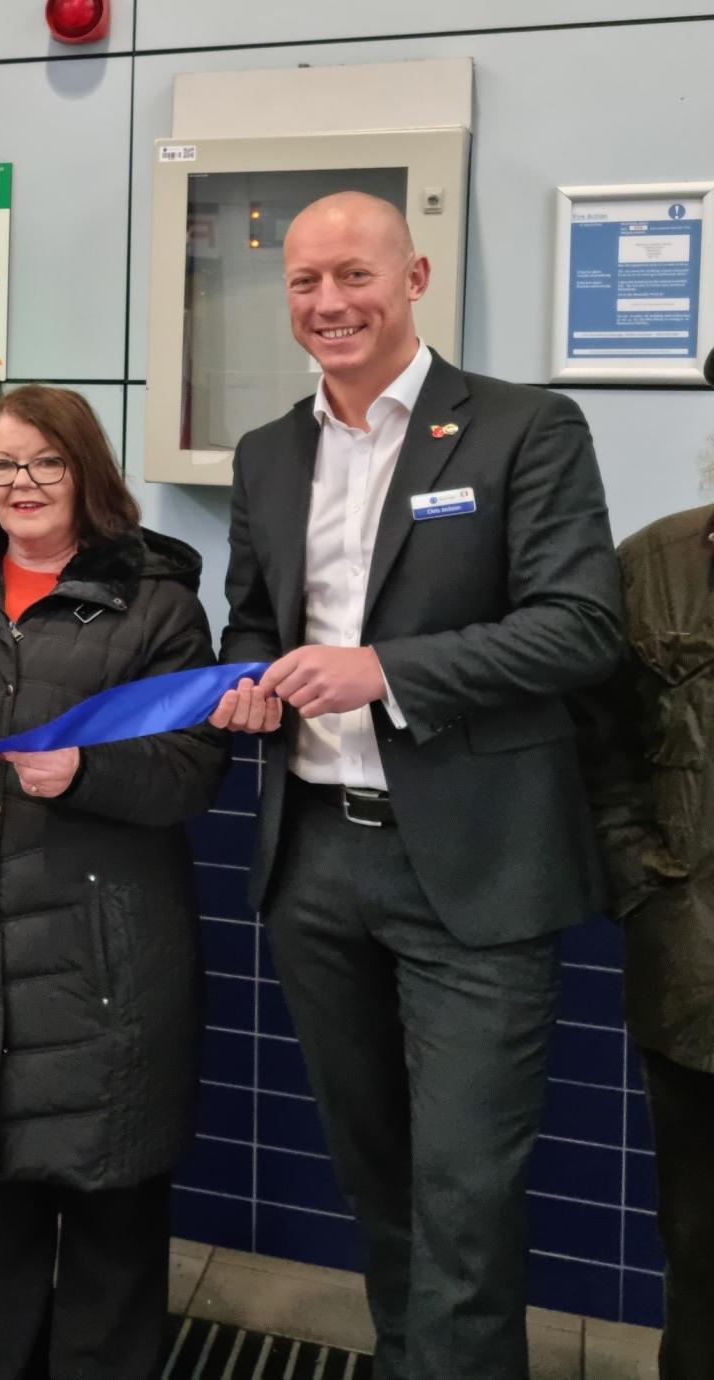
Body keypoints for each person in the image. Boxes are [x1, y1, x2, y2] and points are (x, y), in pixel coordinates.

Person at [211, 191, 623, 1380]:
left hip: (472, 869)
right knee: (375, 1173)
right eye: (302, 282)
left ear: (415, 275)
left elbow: (578, 627)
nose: (328, 304)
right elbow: (252, 622)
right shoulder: (268, 452)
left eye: (353, 276)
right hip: (312, 867)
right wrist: (248, 685)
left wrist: (381, 670)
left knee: (464, 1195)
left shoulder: (519, 429)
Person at [0, 386, 226, 1380]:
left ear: (85, 473)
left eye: (43, 463)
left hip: (100, 964)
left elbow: (194, 769)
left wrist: (86, 772)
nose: (19, 484)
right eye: (0, 465)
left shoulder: (154, 601)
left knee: (110, 1207)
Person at [578, 344, 714, 1380]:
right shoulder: (655, 563)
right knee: (699, 1254)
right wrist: (640, 881)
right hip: (690, 979)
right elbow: (599, 749)